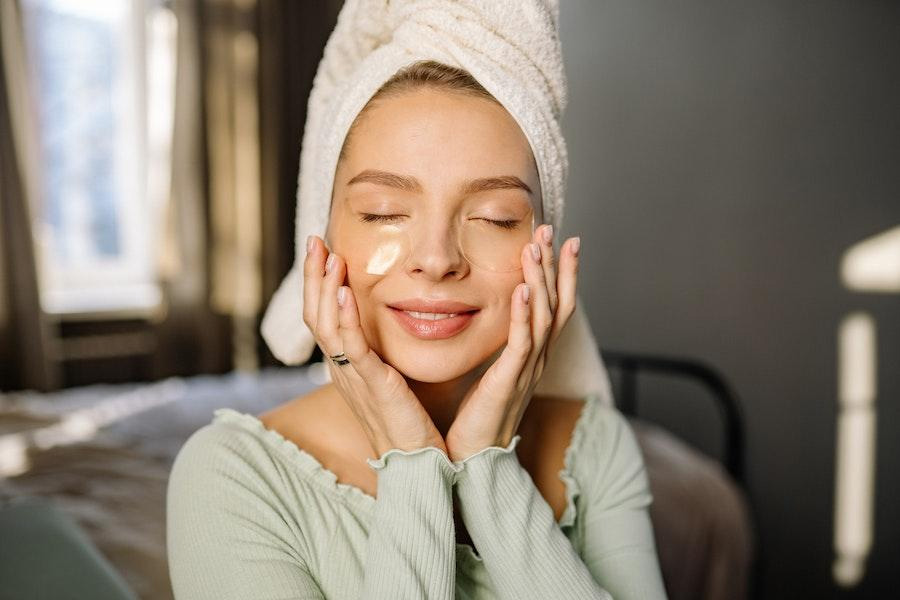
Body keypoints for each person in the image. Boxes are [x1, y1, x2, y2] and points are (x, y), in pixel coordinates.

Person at [167, 3, 668, 599]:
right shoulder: (231, 475)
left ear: (545, 245)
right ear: (324, 241)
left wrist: (489, 466)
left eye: (494, 216)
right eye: (383, 213)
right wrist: (411, 464)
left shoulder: (595, 446)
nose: (436, 257)